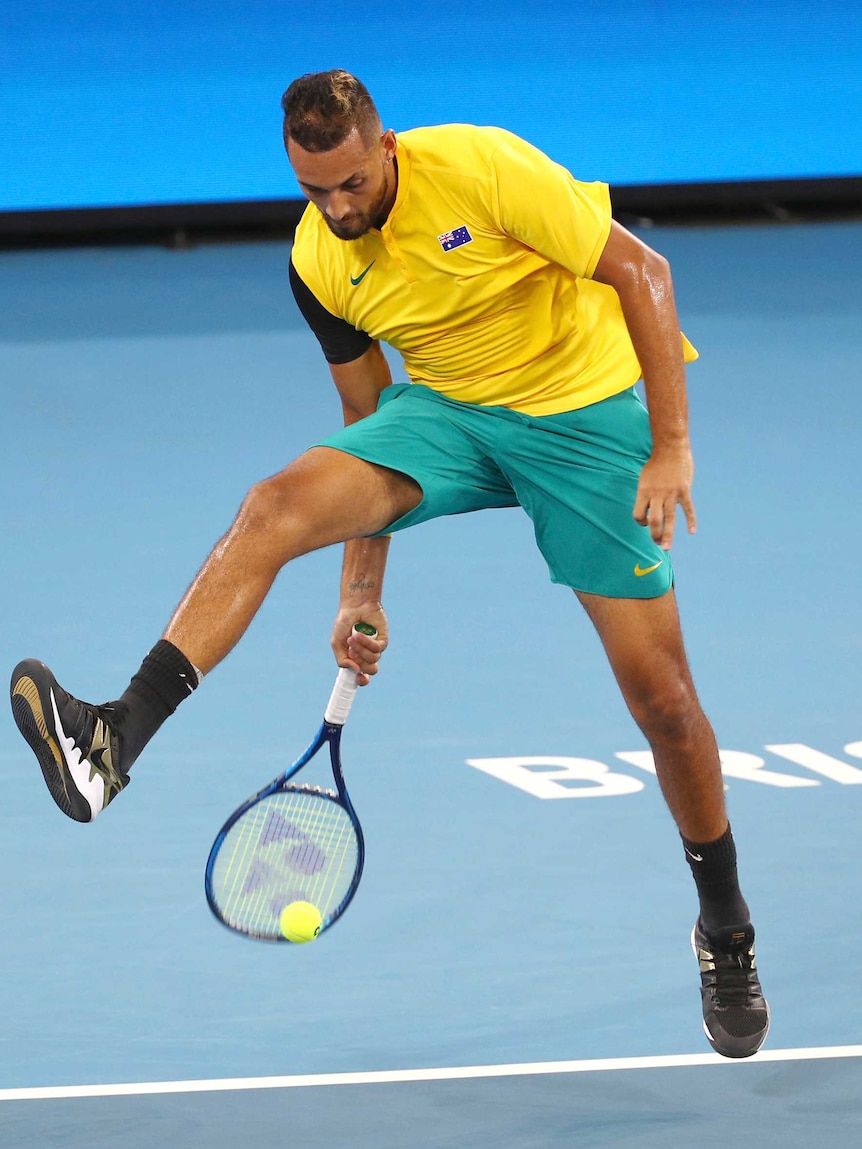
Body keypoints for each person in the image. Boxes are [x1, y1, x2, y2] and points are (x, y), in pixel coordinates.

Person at [10, 69, 768, 1058]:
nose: (336, 207)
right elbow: (368, 418)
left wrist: (670, 445)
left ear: (387, 148)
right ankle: (116, 735)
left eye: (352, 185)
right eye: (313, 190)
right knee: (273, 507)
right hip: (448, 416)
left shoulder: (482, 166)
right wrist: (359, 592)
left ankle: (726, 928)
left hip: (579, 416)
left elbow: (644, 276)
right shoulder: (317, 258)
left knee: (662, 702)